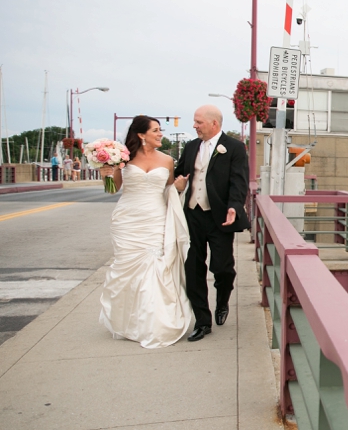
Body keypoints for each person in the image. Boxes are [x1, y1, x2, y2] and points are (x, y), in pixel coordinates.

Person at [98, 116, 194, 348]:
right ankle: (127, 321)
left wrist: (178, 188)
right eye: (155, 130)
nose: (160, 134)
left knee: (156, 267)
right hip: (127, 220)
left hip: (155, 218)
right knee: (126, 269)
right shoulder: (123, 158)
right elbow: (113, 190)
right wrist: (107, 175)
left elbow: (168, 190)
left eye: (160, 130)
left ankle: (154, 322)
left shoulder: (168, 160)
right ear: (141, 134)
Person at [174, 105, 250, 342]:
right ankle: (202, 321)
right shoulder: (190, 147)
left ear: (214, 124)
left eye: (198, 122)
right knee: (193, 268)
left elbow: (239, 182)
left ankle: (223, 299)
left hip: (220, 217)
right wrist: (176, 183)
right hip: (192, 215)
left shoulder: (235, 147)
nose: (194, 126)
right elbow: (178, 173)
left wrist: (234, 207)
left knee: (223, 268)